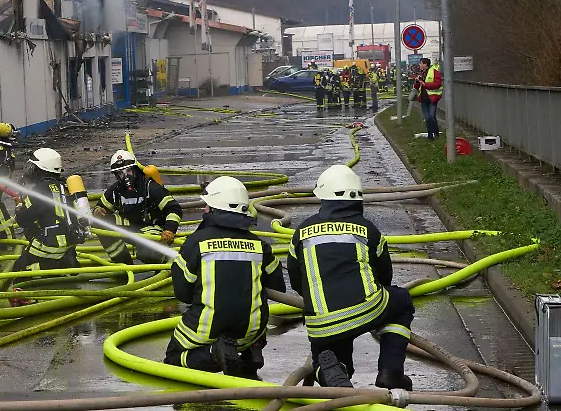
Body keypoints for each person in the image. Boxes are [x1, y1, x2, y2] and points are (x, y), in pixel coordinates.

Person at [286, 165, 415, 390]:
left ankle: (332, 372)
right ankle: (391, 371)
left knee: (327, 355)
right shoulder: (368, 229)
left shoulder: (301, 232)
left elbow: (297, 280)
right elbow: (385, 274)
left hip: (321, 321)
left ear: (323, 198)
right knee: (402, 301)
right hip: (366, 308)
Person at [165, 176, 285, 380]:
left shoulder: (196, 243)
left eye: (207, 205)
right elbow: (278, 285)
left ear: (213, 209)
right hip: (250, 330)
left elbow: (183, 293)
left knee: (174, 358)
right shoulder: (260, 245)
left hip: (207, 328)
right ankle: (252, 352)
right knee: (255, 304)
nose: (204, 209)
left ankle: (214, 355)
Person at [92, 150, 182, 264]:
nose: (125, 177)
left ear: (135, 169)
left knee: (146, 254)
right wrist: (97, 211)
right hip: (130, 227)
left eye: (128, 171)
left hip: (150, 228)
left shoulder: (150, 188)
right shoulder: (115, 191)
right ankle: (124, 265)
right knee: (100, 223)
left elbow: (174, 209)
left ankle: (167, 261)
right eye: (120, 173)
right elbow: (100, 208)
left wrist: (169, 229)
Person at [12, 147, 86, 272]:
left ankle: (54, 266)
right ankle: (66, 261)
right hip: (69, 242)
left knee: (17, 270)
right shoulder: (63, 185)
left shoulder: (40, 190)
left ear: (41, 170)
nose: (31, 171)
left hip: (51, 244)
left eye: (34, 168)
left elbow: (23, 220)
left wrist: (19, 205)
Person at [413, 58, 442, 140]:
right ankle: (430, 135)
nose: (419, 65)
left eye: (420, 63)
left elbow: (437, 84)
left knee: (432, 116)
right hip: (423, 98)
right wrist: (417, 82)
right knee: (427, 118)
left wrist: (424, 83)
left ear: (425, 64)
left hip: (432, 98)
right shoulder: (421, 73)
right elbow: (417, 87)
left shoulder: (434, 72)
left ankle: (436, 133)